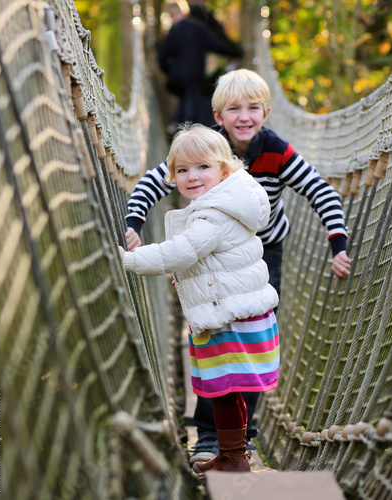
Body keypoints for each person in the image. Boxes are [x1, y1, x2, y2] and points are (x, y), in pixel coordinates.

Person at [125, 69, 352, 464]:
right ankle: (212, 434)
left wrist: (338, 243)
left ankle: (243, 436)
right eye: (234, 109)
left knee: (248, 344)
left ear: (266, 112)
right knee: (217, 340)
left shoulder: (276, 151)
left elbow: (320, 191)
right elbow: (152, 182)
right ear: (218, 116)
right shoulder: (204, 152)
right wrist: (133, 223)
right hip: (210, 255)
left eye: (253, 108)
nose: (243, 116)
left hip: (263, 253)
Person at [120, 124, 280, 474]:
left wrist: (129, 260)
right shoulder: (223, 201)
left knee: (226, 388)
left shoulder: (212, 213)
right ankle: (231, 453)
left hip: (229, 317)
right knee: (227, 390)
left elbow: (181, 252)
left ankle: (235, 457)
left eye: (202, 167)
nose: (192, 177)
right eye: (182, 170)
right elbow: (209, 261)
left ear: (224, 170)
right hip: (230, 310)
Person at [157, 2, 242, 129]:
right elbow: (216, 45)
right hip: (194, 76)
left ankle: (177, 125)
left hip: (177, 78)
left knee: (186, 102)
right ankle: (187, 132)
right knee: (192, 109)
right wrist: (236, 51)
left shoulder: (173, 31)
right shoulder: (198, 28)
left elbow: (163, 58)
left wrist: (172, 71)